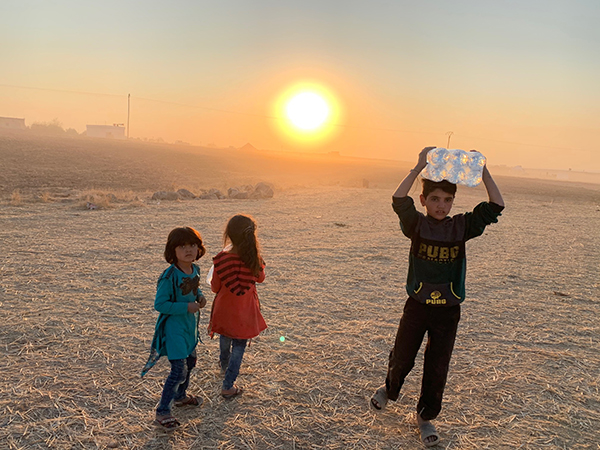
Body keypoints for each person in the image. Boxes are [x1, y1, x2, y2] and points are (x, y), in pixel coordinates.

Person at [370, 146, 505, 447]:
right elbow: (398, 200)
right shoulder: (417, 224)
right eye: (434, 199)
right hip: (417, 305)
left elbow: (496, 204)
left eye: (447, 200)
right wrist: (418, 166)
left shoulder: (461, 226)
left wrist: (480, 169)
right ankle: (388, 390)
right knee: (403, 355)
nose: (441, 205)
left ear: (453, 201)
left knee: (437, 365)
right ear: (424, 200)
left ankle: (425, 417)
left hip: (448, 310)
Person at [141, 227, 207, 431]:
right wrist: (186, 307)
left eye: (193, 245)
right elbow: (160, 304)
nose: (188, 250)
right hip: (174, 329)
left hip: (189, 329)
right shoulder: (169, 276)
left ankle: (180, 397)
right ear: (172, 250)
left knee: (191, 362)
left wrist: (200, 296)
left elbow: (193, 287)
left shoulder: (194, 269)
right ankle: (163, 411)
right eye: (182, 246)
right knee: (178, 370)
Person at [208, 214, 267, 399]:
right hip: (244, 312)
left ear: (229, 235)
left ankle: (224, 365)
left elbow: (215, 287)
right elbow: (261, 278)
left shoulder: (221, 259)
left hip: (224, 310)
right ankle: (228, 385)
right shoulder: (254, 260)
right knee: (239, 345)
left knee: (225, 337)